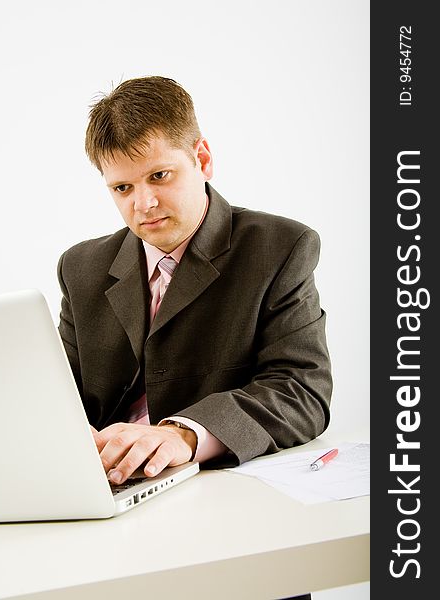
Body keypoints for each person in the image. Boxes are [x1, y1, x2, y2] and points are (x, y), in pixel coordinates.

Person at [57, 75, 332, 600]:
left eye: (159, 175)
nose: (143, 204)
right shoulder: (82, 267)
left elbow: (303, 390)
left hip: (231, 525)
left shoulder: (279, 247)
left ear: (202, 159)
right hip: (108, 527)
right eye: (122, 188)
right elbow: (62, 398)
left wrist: (181, 434)